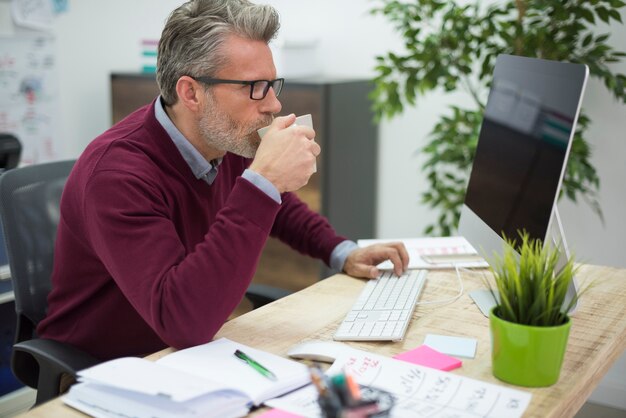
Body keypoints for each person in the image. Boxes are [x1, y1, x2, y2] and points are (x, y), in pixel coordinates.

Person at [37, 0, 409, 361]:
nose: (273, 105)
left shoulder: (221, 135)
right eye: (253, 87)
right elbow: (182, 322)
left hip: (186, 354)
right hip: (105, 370)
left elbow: (279, 210)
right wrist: (262, 182)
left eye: (271, 84)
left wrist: (341, 252)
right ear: (191, 93)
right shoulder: (117, 175)